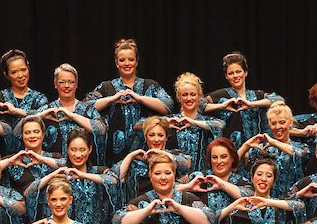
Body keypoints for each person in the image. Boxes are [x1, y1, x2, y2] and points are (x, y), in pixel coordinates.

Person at [88, 38, 172, 168]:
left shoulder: (150, 85)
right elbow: (86, 106)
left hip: (146, 153)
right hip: (114, 155)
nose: (127, 63)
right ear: (116, 63)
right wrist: (111, 99)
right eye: (122, 60)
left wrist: (139, 98)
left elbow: (168, 105)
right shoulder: (107, 87)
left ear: (137, 62)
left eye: (131, 59)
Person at [26, 63, 105, 160]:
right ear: (55, 84)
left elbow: (101, 130)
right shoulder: (47, 110)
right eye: (62, 82)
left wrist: (72, 116)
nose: (66, 86)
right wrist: (41, 115)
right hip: (52, 169)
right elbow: (18, 131)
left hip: (82, 168)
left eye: (71, 82)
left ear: (76, 84)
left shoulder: (88, 110)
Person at [204, 51, 282, 147]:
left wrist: (252, 104)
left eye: (238, 71)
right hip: (231, 152)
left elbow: (279, 100)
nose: (235, 76)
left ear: (245, 72)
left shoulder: (257, 95)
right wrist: (221, 106)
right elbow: (198, 105)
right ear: (226, 76)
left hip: (257, 150)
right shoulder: (221, 95)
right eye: (231, 73)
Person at [0, 50, 49, 154]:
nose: (20, 75)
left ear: (28, 69)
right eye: (14, 72)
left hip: (33, 156)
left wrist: (16, 111)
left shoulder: (39, 99)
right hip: (1, 158)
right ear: (6, 75)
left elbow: (43, 113)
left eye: (23, 70)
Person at [238, 101, 309, 198]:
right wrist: (246, 145)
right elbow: (232, 164)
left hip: (291, 203)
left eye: (282, 122)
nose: (278, 127)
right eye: (273, 123)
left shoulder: (301, 147)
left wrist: (274, 142)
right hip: (265, 203)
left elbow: (300, 154)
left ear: (291, 122)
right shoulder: (262, 148)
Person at [165, 72, 223, 175]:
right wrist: (164, 123)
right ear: (179, 97)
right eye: (184, 95)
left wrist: (192, 122)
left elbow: (220, 125)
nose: (189, 98)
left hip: (204, 178)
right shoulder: (172, 120)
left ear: (199, 96)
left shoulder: (206, 121)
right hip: (175, 179)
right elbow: (142, 124)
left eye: (193, 94)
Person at [0, 117, 62, 204]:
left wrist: (43, 160)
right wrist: (10, 161)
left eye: (36, 132)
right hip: (23, 213)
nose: (32, 136)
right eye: (27, 133)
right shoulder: (12, 159)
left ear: (43, 134)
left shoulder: (55, 157)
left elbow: (70, 167)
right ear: (22, 136)